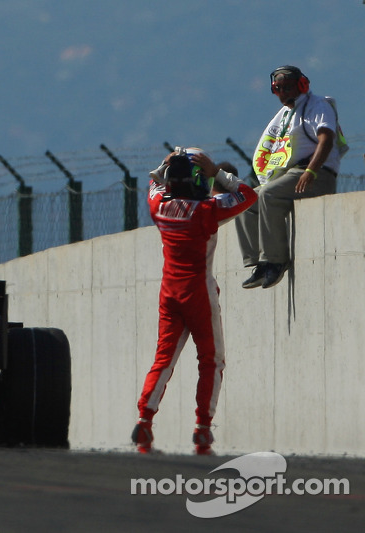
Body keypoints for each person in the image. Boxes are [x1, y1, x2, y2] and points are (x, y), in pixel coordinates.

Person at [132, 147, 257, 455]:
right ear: (198, 181)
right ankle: (202, 428)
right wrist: (217, 172)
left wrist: (166, 165)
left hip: (169, 292)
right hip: (199, 292)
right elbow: (247, 195)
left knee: (163, 360)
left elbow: (154, 184)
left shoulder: (158, 207)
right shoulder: (207, 210)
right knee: (211, 361)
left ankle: (145, 421)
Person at [236, 65, 343, 289]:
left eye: (287, 87)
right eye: (278, 89)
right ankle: (259, 263)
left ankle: (275, 261)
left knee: (268, 194)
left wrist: (311, 171)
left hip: (317, 173)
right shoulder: (286, 114)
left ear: (302, 85)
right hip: (291, 174)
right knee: (244, 200)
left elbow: (326, 139)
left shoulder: (317, 106)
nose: (282, 93)